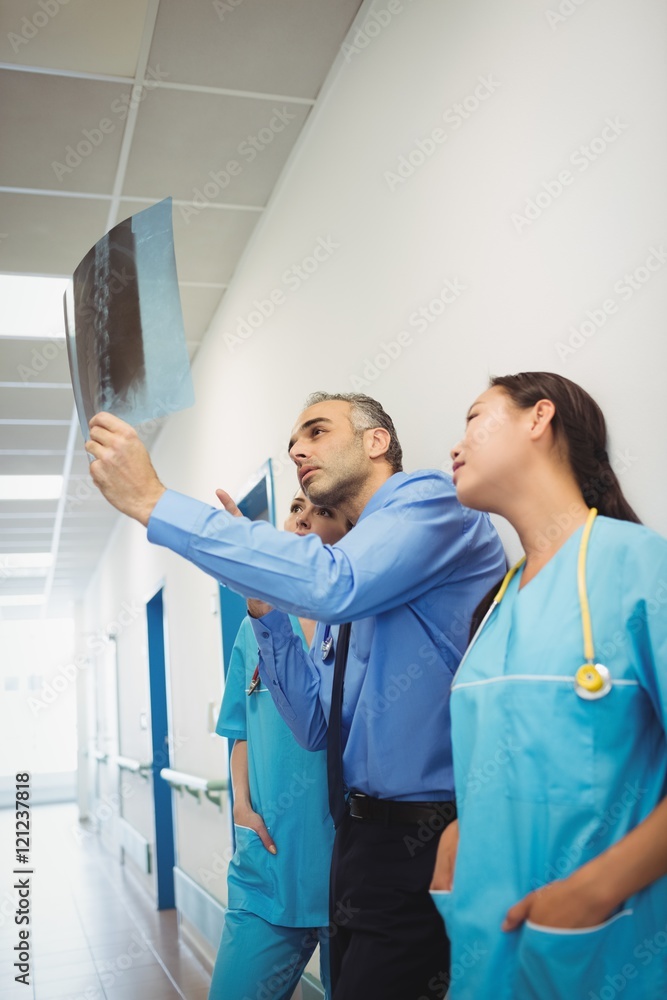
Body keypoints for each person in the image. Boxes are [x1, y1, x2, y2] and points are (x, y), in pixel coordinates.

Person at [85, 391, 506, 1000]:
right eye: (292, 444)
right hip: (358, 840)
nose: (298, 450)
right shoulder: (346, 573)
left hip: (429, 832)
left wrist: (156, 502)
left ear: (376, 441)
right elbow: (314, 726)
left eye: (315, 431)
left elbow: (334, 584)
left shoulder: (431, 502)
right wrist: (267, 614)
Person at [430, 372, 667, 1000]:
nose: (454, 447)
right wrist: (459, 832)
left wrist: (592, 892)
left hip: (597, 949)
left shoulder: (640, 565)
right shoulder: (497, 603)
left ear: (540, 418)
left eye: (474, 418)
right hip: (486, 953)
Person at [209, 491, 350, 1000]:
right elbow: (240, 729)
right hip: (269, 864)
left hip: (346, 869)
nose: (304, 517)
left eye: (321, 509)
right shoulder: (256, 627)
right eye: (295, 507)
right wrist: (242, 808)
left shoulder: (356, 622)